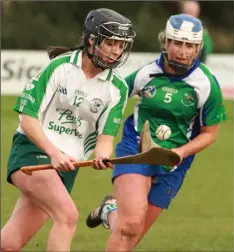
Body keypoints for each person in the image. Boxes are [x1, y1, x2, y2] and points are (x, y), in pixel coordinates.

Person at [85, 14, 226, 252]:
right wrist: (102, 142)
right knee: (129, 224)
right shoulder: (145, 74)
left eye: (190, 45)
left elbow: (209, 133)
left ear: (198, 48)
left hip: (174, 163)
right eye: (177, 43)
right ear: (165, 43)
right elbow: (111, 100)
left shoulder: (206, 85)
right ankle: (114, 211)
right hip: (136, 151)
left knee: (132, 234)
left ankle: (110, 210)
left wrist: (180, 151)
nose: (183, 51)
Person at [1, 8, 135, 252]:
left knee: (9, 243)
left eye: (121, 45)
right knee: (67, 216)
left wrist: (101, 155)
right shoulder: (60, 68)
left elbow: (105, 137)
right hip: (33, 154)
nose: (117, 50)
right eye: (111, 43)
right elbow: (27, 117)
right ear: (91, 41)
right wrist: (53, 152)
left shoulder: (118, 88)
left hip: (68, 168)